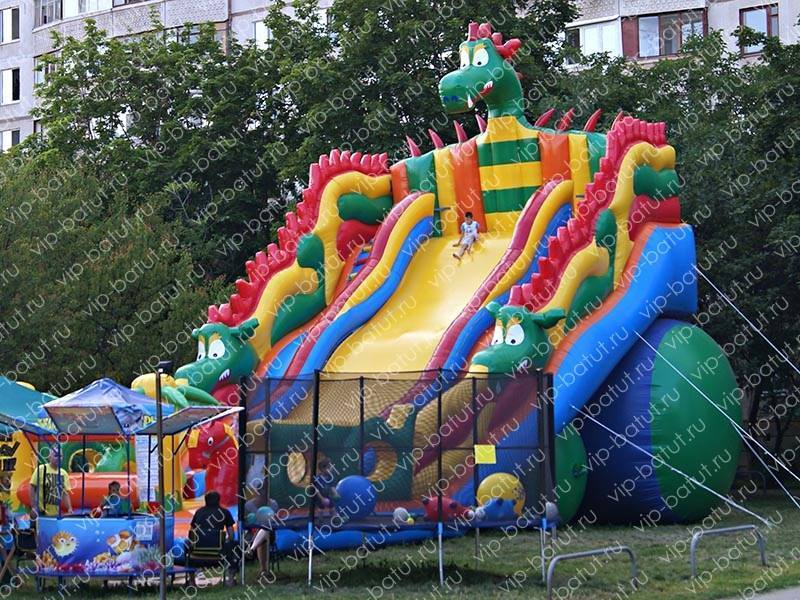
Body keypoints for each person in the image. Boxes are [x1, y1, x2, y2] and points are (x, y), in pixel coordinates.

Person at [188, 490, 238, 585]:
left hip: (197, 550)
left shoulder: (199, 512)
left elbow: (191, 533)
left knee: (187, 545)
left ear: (205, 501)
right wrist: (226, 541)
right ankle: (231, 578)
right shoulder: (225, 512)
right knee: (234, 545)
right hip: (218, 551)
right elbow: (231, 535)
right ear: (219, 500)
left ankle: (191, 581)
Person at [30, 446, 72, 518]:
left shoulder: (63, 473)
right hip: (41, 512)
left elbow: (65, 493)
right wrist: (33, 507)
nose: (58, 458)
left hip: (56, 514)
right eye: (56, 455)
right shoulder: (41, 469)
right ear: (49, 457)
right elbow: (32, 487)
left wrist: (69, 508)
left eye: (60, 456)